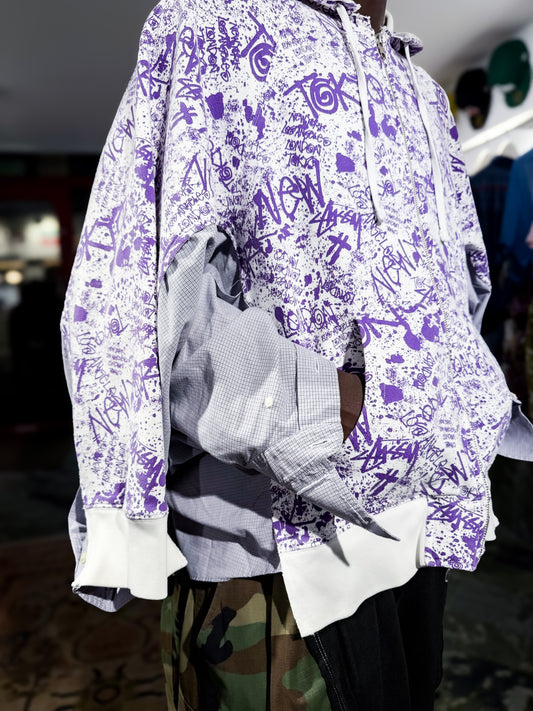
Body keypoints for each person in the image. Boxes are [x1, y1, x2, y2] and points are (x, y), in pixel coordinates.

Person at [60, 0, 533, 709]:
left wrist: (458, 411)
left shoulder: (421, 92)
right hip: (272, 559)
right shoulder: (212, 27)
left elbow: (457, 282)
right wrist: (348, 411)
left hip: (419, 531)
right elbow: (136, 288)